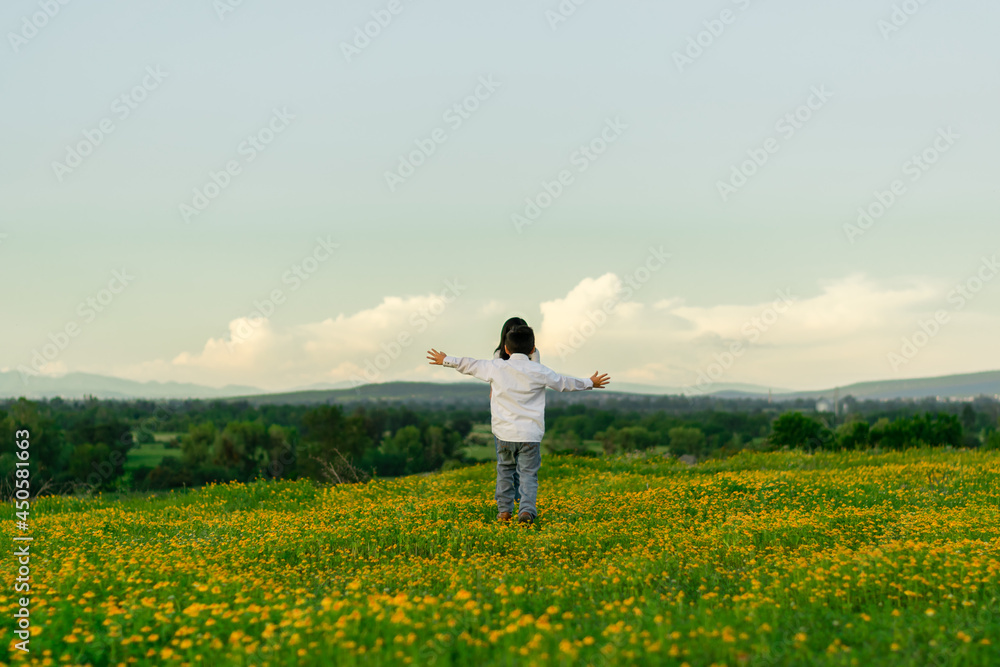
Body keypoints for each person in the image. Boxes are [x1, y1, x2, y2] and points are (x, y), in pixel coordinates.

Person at [427, 325, 610, 524]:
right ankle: (526, 511)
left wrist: (445, 360)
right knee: (528, 475)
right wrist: (590, 382)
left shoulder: (495, 367)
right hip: (530, 435)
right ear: (533, 350)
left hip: (504, 434)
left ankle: (504, 512)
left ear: (505, 349)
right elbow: (563, 383)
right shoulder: (539, 370)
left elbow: (469, 364)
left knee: (505, 471)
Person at [490, 317, 540, 500]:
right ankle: (518, 502)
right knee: (514, 466)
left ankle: (510, 504)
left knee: (508, 466)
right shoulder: (530, 355)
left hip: (513, 416)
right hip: (512, 416)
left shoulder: (501, 355)